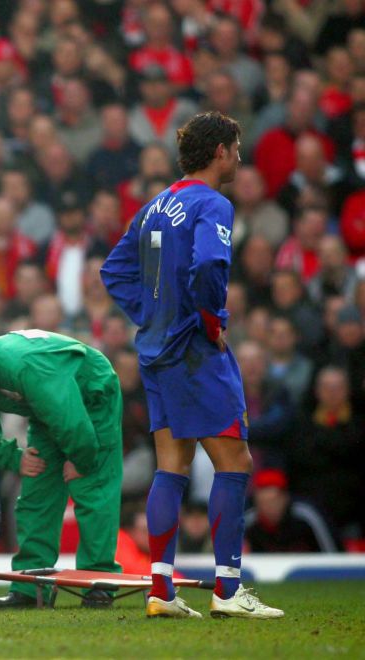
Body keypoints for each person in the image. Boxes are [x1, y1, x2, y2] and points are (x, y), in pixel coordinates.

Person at [101, 111, 283, 619]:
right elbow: (208, 264)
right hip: (195, 352)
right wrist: (210, 320)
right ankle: (227, 590)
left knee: (171, 466)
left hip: (157, 351)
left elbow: (114, 269)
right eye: (237, 149)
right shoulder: (213, 203)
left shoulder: (157, 205)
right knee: (235, 463)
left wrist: (152, 313)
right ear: (220, 152)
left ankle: (162, 591)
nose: (241, 159)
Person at [0, 330, 123, 609]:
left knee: (92, 491)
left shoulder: (24, 365)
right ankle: (30, 585)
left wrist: (81, 459)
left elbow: (71, 420)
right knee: (36, 495)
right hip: (49, 408)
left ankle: (98, 583)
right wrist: (16, 459)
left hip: (93, 395)